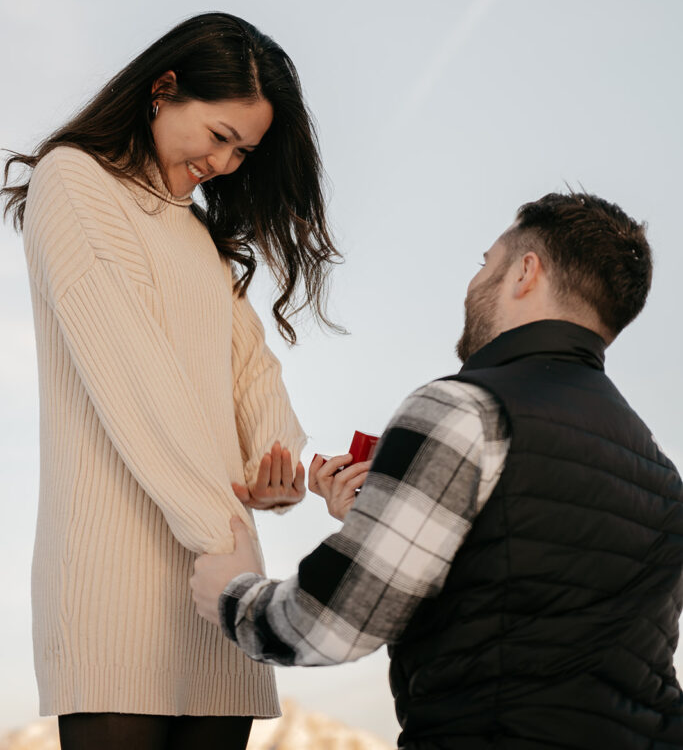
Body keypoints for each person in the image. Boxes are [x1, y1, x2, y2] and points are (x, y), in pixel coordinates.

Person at [191, 192, 683, 749]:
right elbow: (554, 625)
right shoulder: (662, 477)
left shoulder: (463, 409)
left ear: (525, 272)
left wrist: (230, 595)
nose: (474, 283)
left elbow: (328, 626)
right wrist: (383, 521)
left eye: (485, 262)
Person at [2, 12, 342, 750]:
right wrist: (224, 538)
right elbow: (132, 374)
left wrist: (273, 468)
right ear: (163, 89)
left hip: (218, 585)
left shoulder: (199, 239)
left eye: (243, 152)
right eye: (220, 136)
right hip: (117, 573)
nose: (225, 165)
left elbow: (250, 372)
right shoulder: (75, 181)